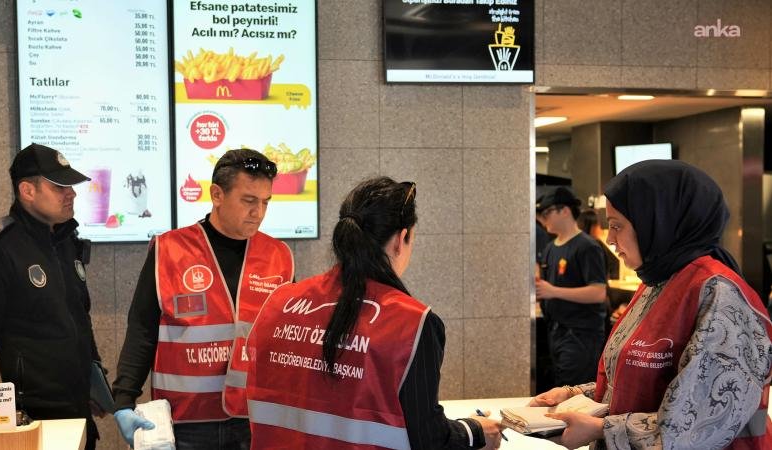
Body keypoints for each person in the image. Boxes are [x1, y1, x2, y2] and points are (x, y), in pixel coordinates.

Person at [244, 177, 506, 449]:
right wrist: (474, 431)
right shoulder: (412, 324)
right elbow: (429, 439)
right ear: (401, 239)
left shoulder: (278, 302)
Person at [530, 160, 772, 450]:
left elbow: (697, 424)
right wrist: (576, 396)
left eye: (617, 226)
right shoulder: (658, 282)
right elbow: (641, 383)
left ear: (659, 222)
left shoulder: (718, 294)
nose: (609, 238)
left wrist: (601, 429)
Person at [112, 149, 294, 450]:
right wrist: (123, 399)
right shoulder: (169, 250)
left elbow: (291, 339)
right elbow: (142, 329)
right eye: (249, 201)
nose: (258, 212)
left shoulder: (280, 257)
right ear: (217, 195)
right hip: (186, 423)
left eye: (265, 202)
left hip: (253, 420)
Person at [0, 143, 103, 449]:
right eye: (59, 186)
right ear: (27, 190)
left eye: (71, 186)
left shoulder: (65, 242)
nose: (70, 193)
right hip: (27, 421)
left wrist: (94, 383)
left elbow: (78, 320)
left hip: (75, 413)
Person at [536, 187, 608, 387]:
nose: (543, 218)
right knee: (559, 386)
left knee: (574, 390)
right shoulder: (551, 248)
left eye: (547, 212)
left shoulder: (587, 247)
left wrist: (553, 291)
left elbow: (598, 292)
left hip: (581, 333)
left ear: (565, 211)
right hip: (556, 330)